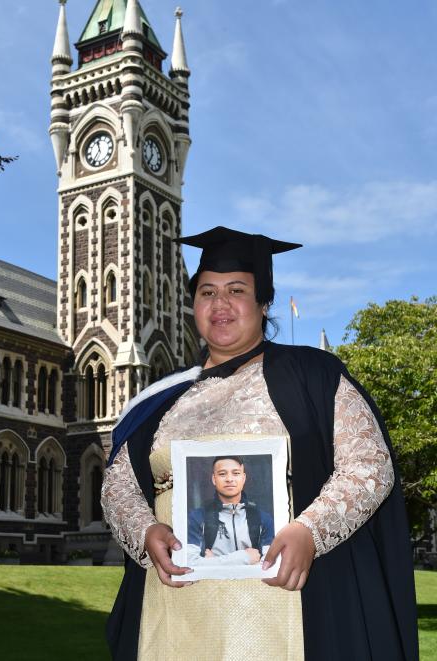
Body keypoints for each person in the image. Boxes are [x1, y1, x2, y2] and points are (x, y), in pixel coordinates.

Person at [102, 226, 418, 661]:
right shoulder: (159, 402)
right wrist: (145, 531)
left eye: (236, 290)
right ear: (193, 305)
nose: (220, 304)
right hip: (178, 604)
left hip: (292, 599)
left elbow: (369, 465)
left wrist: (309, 531)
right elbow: (118, 485)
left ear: (263, 302)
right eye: (207, 292)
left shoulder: (314, 376)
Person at [187, 456, 274, 566]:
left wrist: (211, 563)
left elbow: (270, 565)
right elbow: (190, 564)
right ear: (214, 479)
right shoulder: (197, 517)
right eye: (222, 474)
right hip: (212, 583)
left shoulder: (263, 519)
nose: (229, 479)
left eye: (236, 473)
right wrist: (245, 558)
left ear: (243, 478)